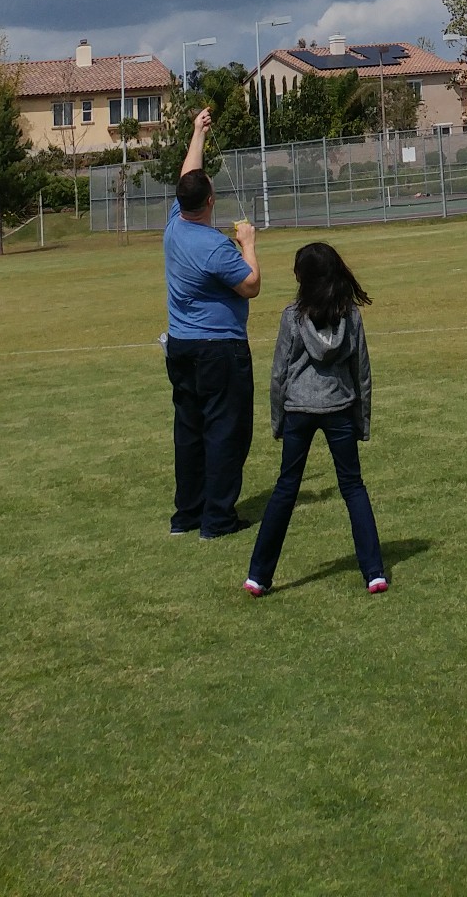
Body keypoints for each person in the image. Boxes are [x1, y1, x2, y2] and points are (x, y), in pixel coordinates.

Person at [244, 240, 387, 597]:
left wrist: (278, 420)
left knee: (285, 488)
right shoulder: (349, 315)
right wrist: (362, 420)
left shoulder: (293, 316)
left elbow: (279, 373)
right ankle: (374, 572)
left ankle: (258, 575)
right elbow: (362, 371)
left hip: (299, 410)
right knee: (353, 487)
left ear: (303, 279)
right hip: (339, 408)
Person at [163, 107, 261, 538]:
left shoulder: (173, 226)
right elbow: (251, 285)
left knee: (189, 430)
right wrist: (248, 243)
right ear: (209, 202)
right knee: (225, 431)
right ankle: (217, 519)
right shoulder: (216, 247)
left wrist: (198, 132)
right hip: (219, 350)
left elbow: (189, 175)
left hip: (181, 346)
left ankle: (188, 515)